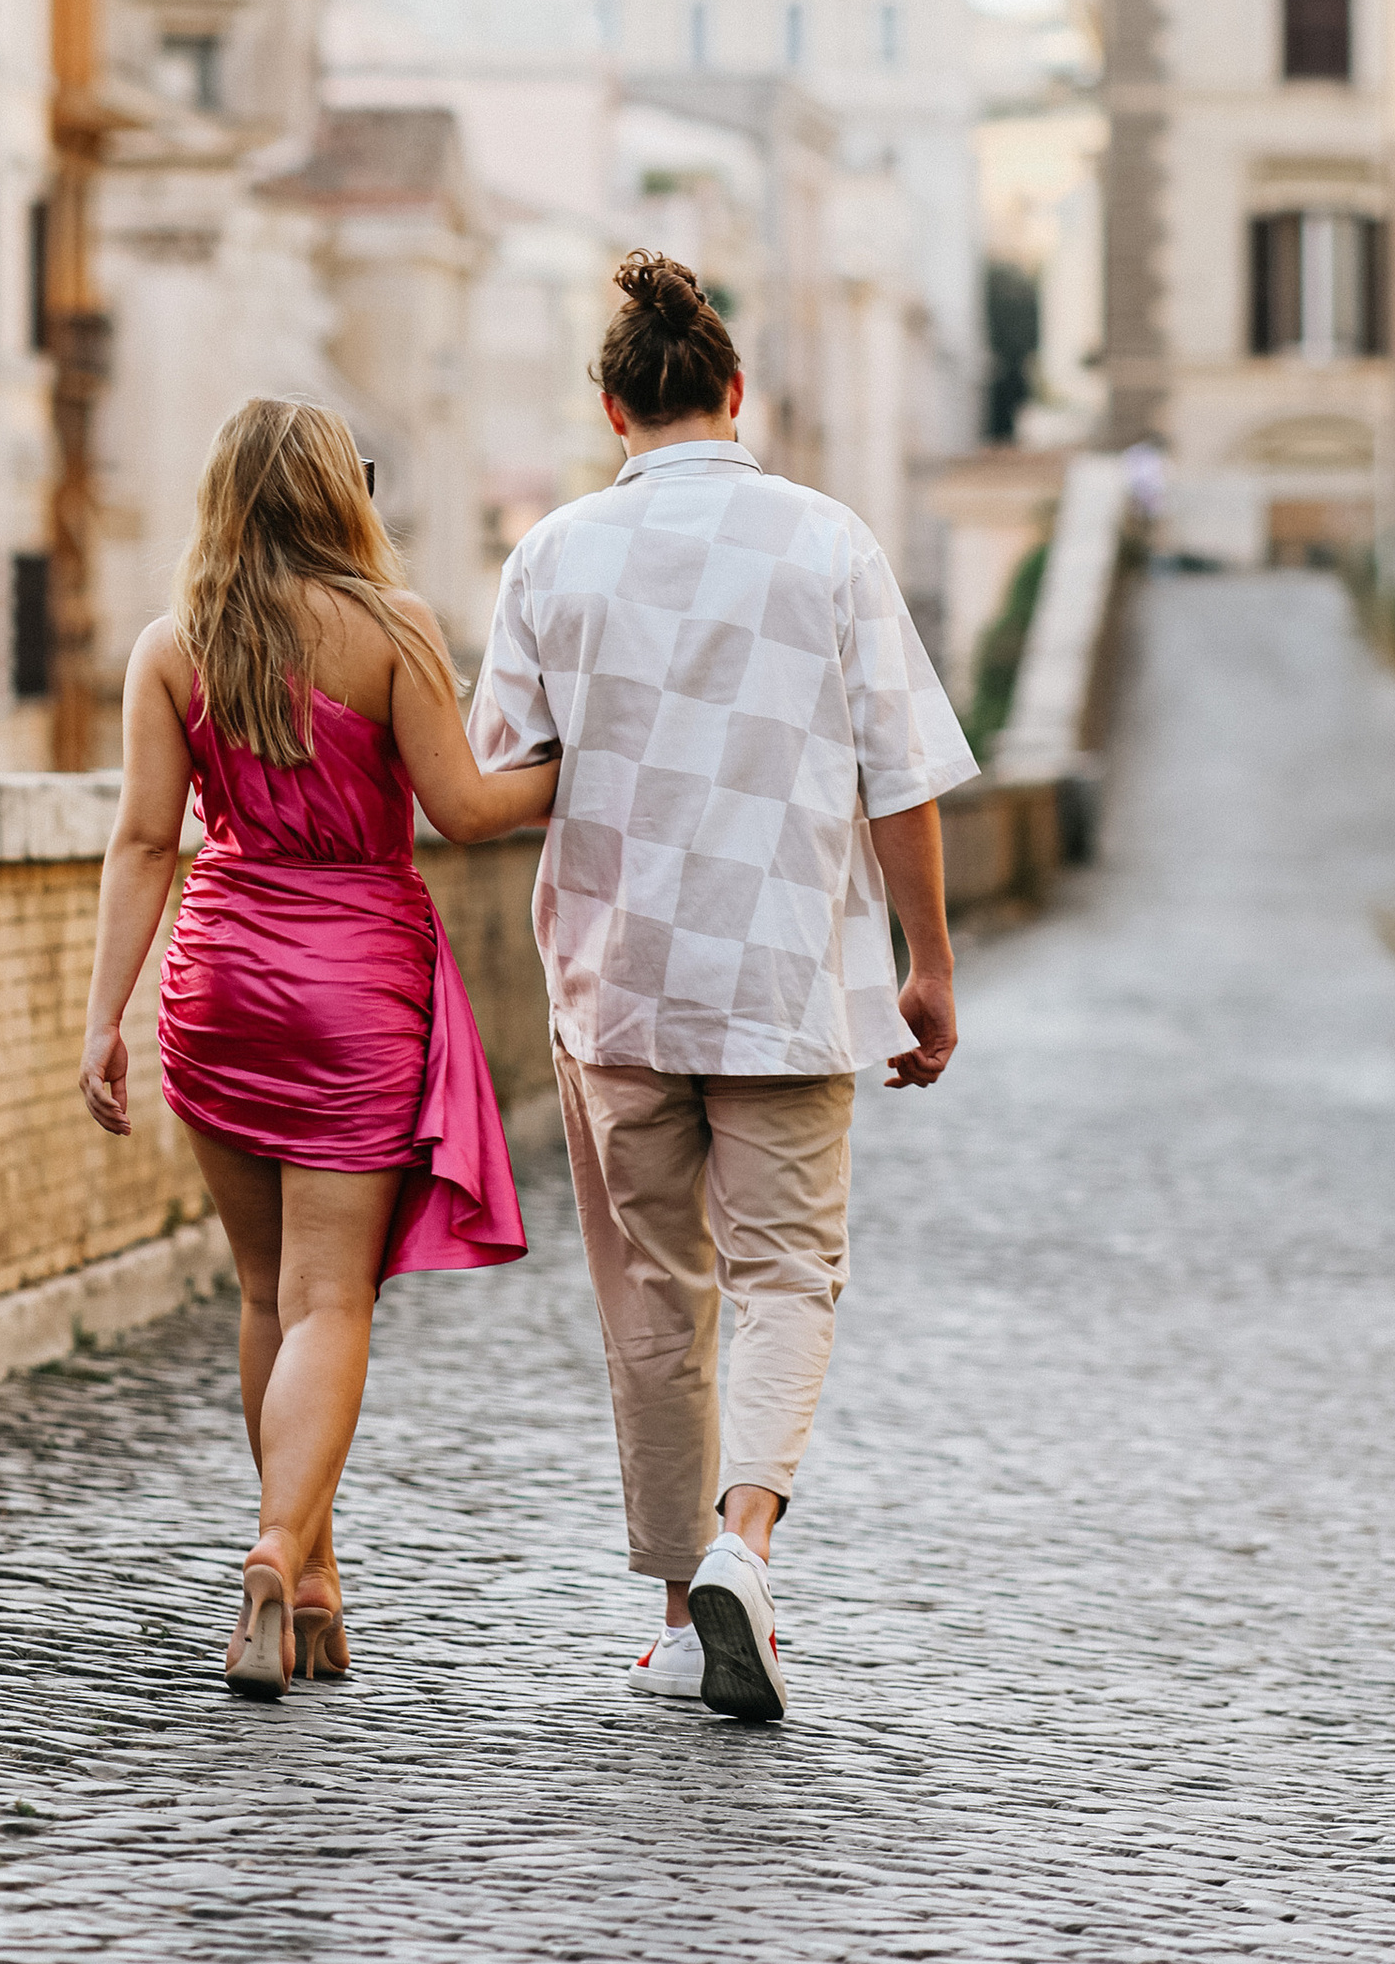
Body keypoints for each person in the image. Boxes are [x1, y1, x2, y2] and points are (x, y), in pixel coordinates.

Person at [468, 252, 976, 1724]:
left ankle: (681, 1600)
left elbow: (500, 773)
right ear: (735, 394)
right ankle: (747, 1543)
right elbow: (904, 773)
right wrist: (924, 965)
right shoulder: (829, 544)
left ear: (614, 409)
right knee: (784, 1278)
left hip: (617, 982)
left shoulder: (552, 554)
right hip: (784, 973)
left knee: (652, 1291)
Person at [79, 397, 558, 1700]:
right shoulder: (396, 629)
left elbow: (140, 844)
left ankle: (318, 1584)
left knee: (264, 1297)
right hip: (355, 983)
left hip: (220, 980)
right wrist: (573, 767)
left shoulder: (173, 650)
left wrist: (102, 1019)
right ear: (344, 496)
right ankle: (279, 1552)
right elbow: (464, 810)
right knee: (331, 1302)